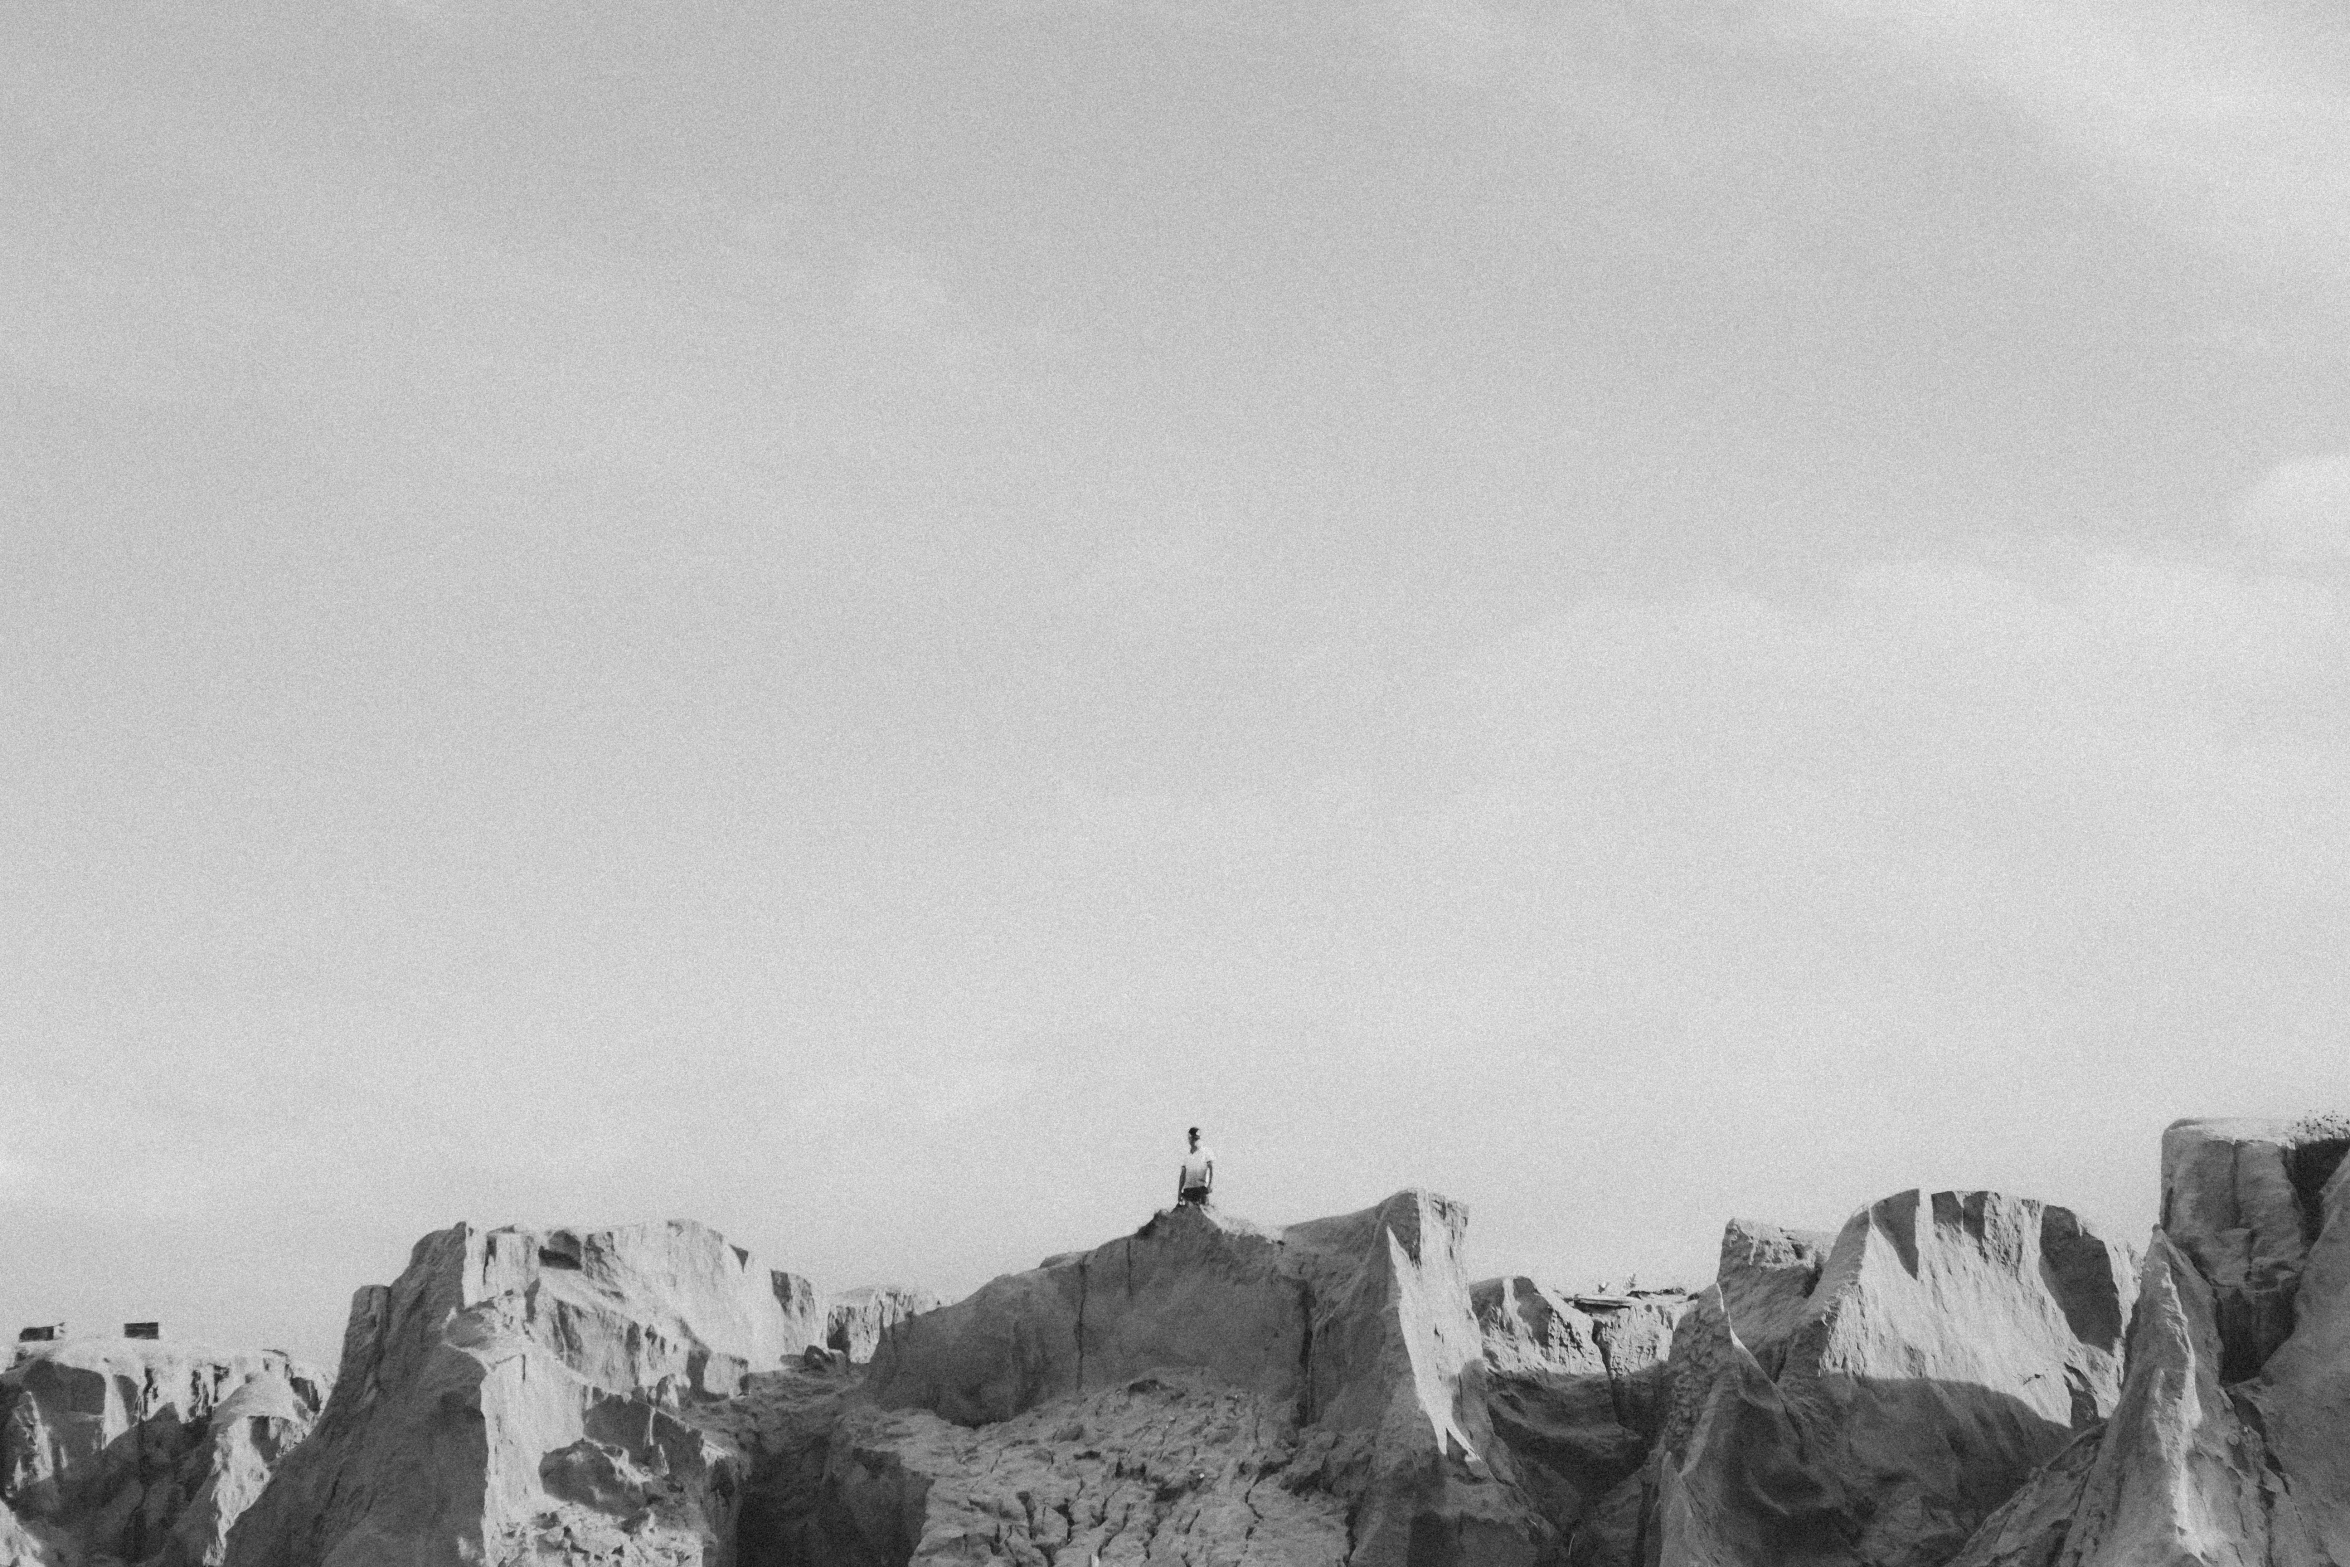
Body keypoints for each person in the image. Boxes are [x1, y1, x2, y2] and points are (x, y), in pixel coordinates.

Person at [1176, 1127, 1215, 1206]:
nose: (1194, 1141)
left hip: (1201, 1189)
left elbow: (1211, 1169)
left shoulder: (1206, 1152)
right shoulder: (1186, 1155)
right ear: (1189, 1138)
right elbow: (1183, 1174)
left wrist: (1210, 1184)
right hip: (1188, 1190)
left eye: (1196, 1139)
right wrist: (1179, 1191)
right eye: (1192, 1138)